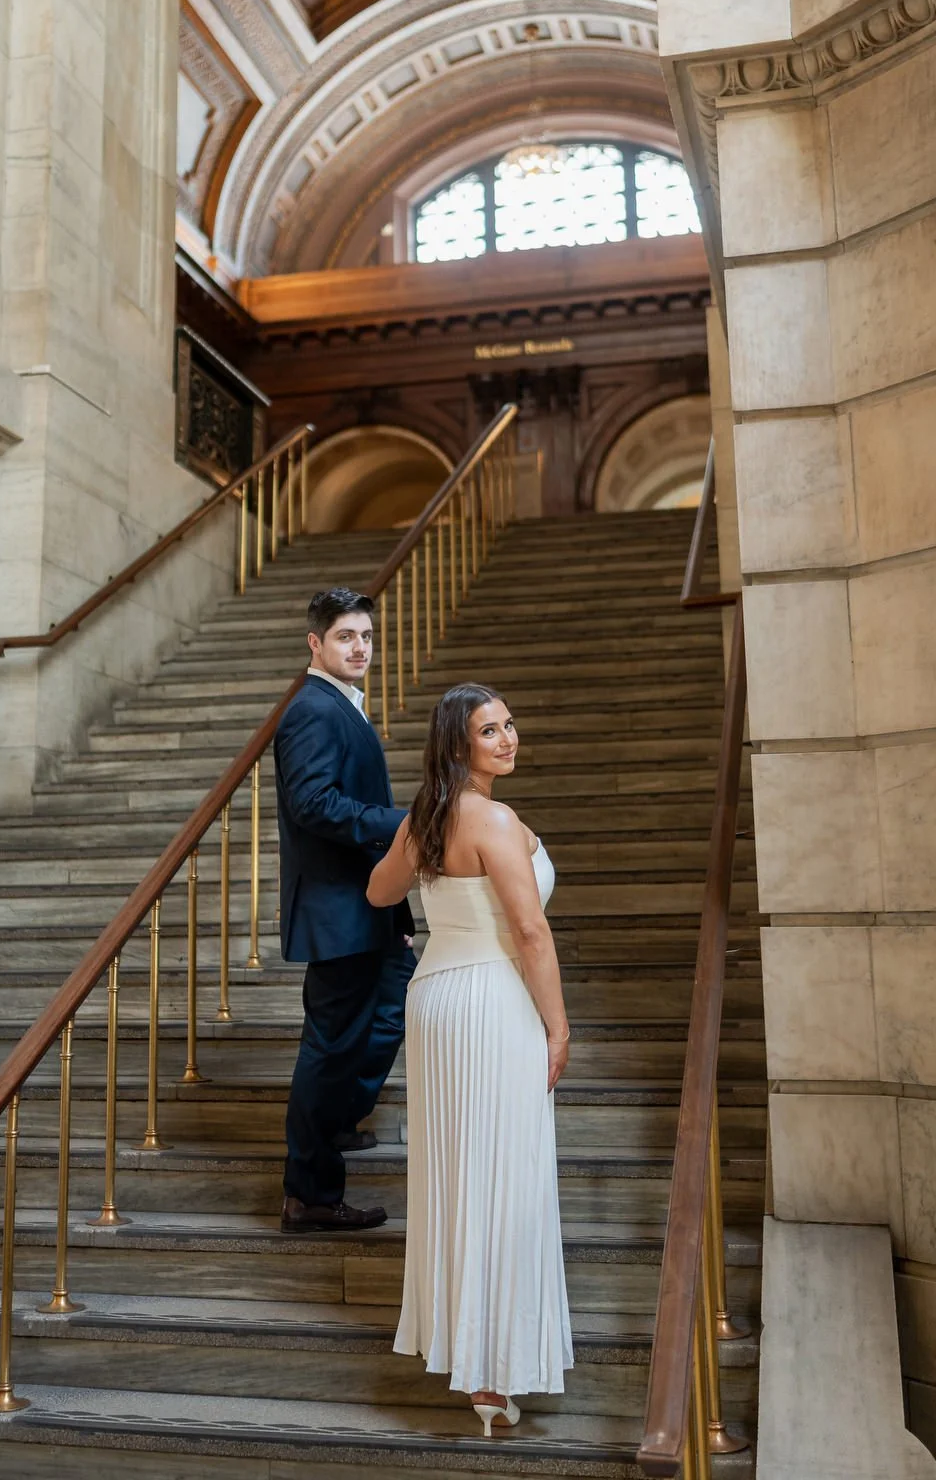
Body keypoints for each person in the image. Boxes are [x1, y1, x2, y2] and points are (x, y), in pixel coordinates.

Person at [367, 682, 572, 1434]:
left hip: (437, 1000)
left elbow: (380, 889)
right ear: (460, 745)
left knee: (458, 1172)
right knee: (504, 1177)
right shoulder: (494, 819)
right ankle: (495, 1372)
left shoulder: (424, 820)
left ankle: (472, 1360)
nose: (510, 739)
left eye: (511, 724)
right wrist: (557, 1027)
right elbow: (531, 934)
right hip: (492, 1000)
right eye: (492, 730)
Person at [275, 586, 415, 1235]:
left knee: (393, 1006)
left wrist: (399, 916)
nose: (359, 647)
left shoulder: (342, 706)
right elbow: (312, 803)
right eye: (345, 637)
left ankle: (335, 1122)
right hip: (337, 912)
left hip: (370, 910)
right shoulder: (312, 710)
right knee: (329, 1049)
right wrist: (399, 822)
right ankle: (310, 1193)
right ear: (315, 643)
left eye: (365, 636)